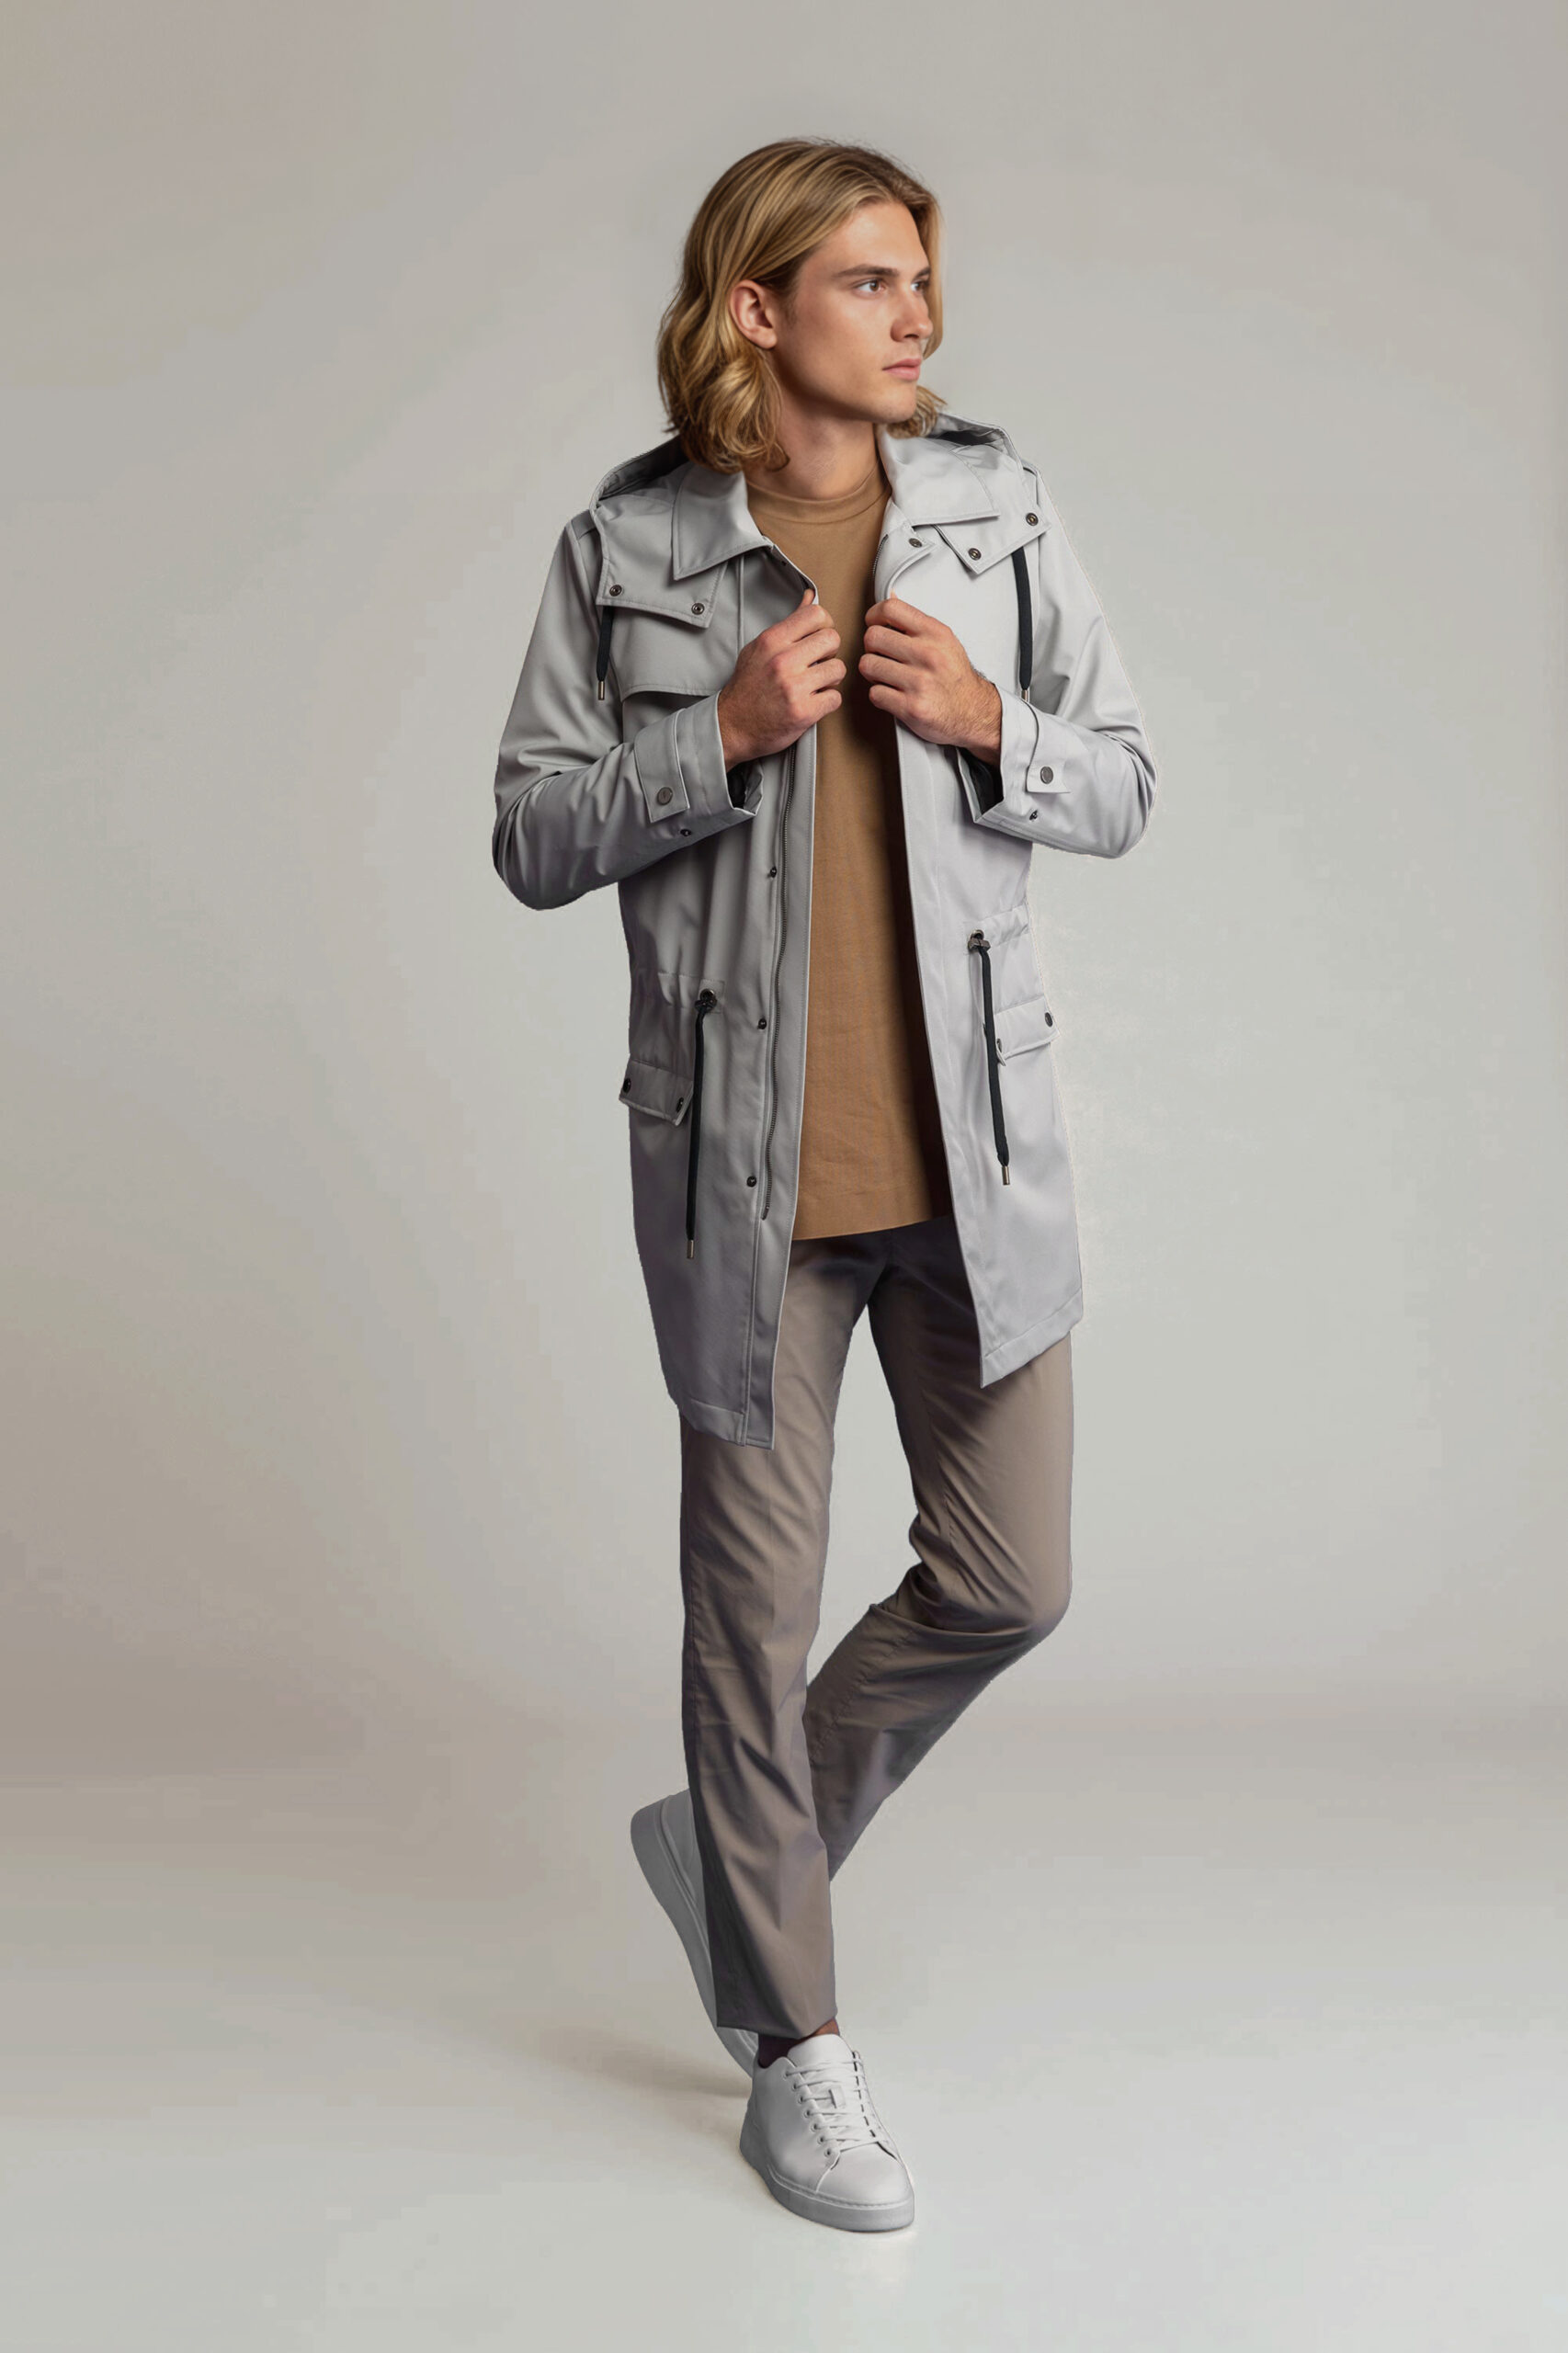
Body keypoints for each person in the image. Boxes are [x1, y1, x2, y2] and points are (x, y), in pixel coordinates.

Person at [492, 137, 1157, 2233]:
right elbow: (528, 831)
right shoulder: (630, 544)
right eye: (873, 279)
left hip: (973, 1162)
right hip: (744, 1178)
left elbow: (1123, 778)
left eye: (922, 276)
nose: (918, 314)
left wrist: (987, 720)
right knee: (745, 1615)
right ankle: (797, 2047)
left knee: (1011, 1576)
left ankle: (727, 1845)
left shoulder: (994, 506)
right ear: (758, 308)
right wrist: (712, 742)